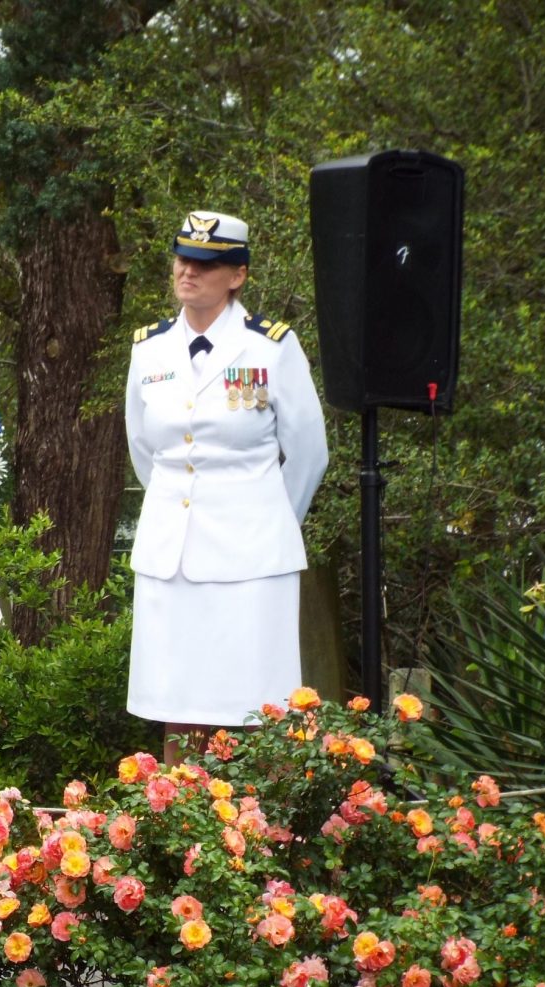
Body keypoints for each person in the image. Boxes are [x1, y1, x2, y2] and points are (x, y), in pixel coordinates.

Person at [123, 210, 328, 764]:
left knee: (253, 705)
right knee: (176, 701)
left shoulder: (272, 349)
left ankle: (253, 835)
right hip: (172, 554)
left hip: (252, 559)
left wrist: (265, 521)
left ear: (236, 275)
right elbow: (146, 451)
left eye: (206, 264)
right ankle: (176, 829)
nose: (188, 271)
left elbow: (309, 453)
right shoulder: (148, 351)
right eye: (182, 258)